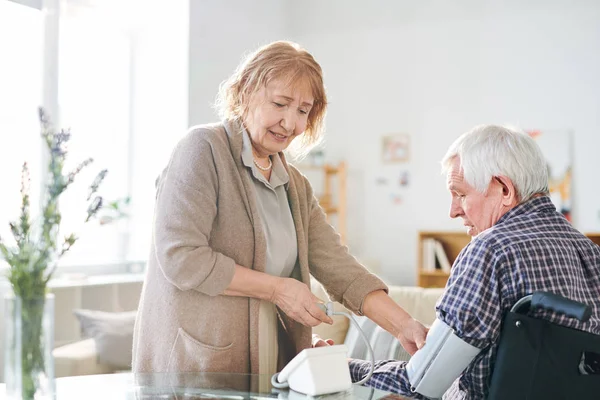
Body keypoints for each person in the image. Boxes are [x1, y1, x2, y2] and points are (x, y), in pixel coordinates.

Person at [132, 41, 427, 376]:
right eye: (280, 104)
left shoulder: (294, 186)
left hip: (268, 367)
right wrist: (277, 289)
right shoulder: (202, 151)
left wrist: (406, 327)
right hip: (195, 369)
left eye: (303, 111)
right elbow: (182, 258)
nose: (289, 123)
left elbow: (341, 269)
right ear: (245, 92)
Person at [349, 124, 600, 399]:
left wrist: (346, 368)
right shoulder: (589, 251)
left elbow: (423, 383)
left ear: (504, 189)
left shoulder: (490, 250)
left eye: (461, 194)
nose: (453, 211)